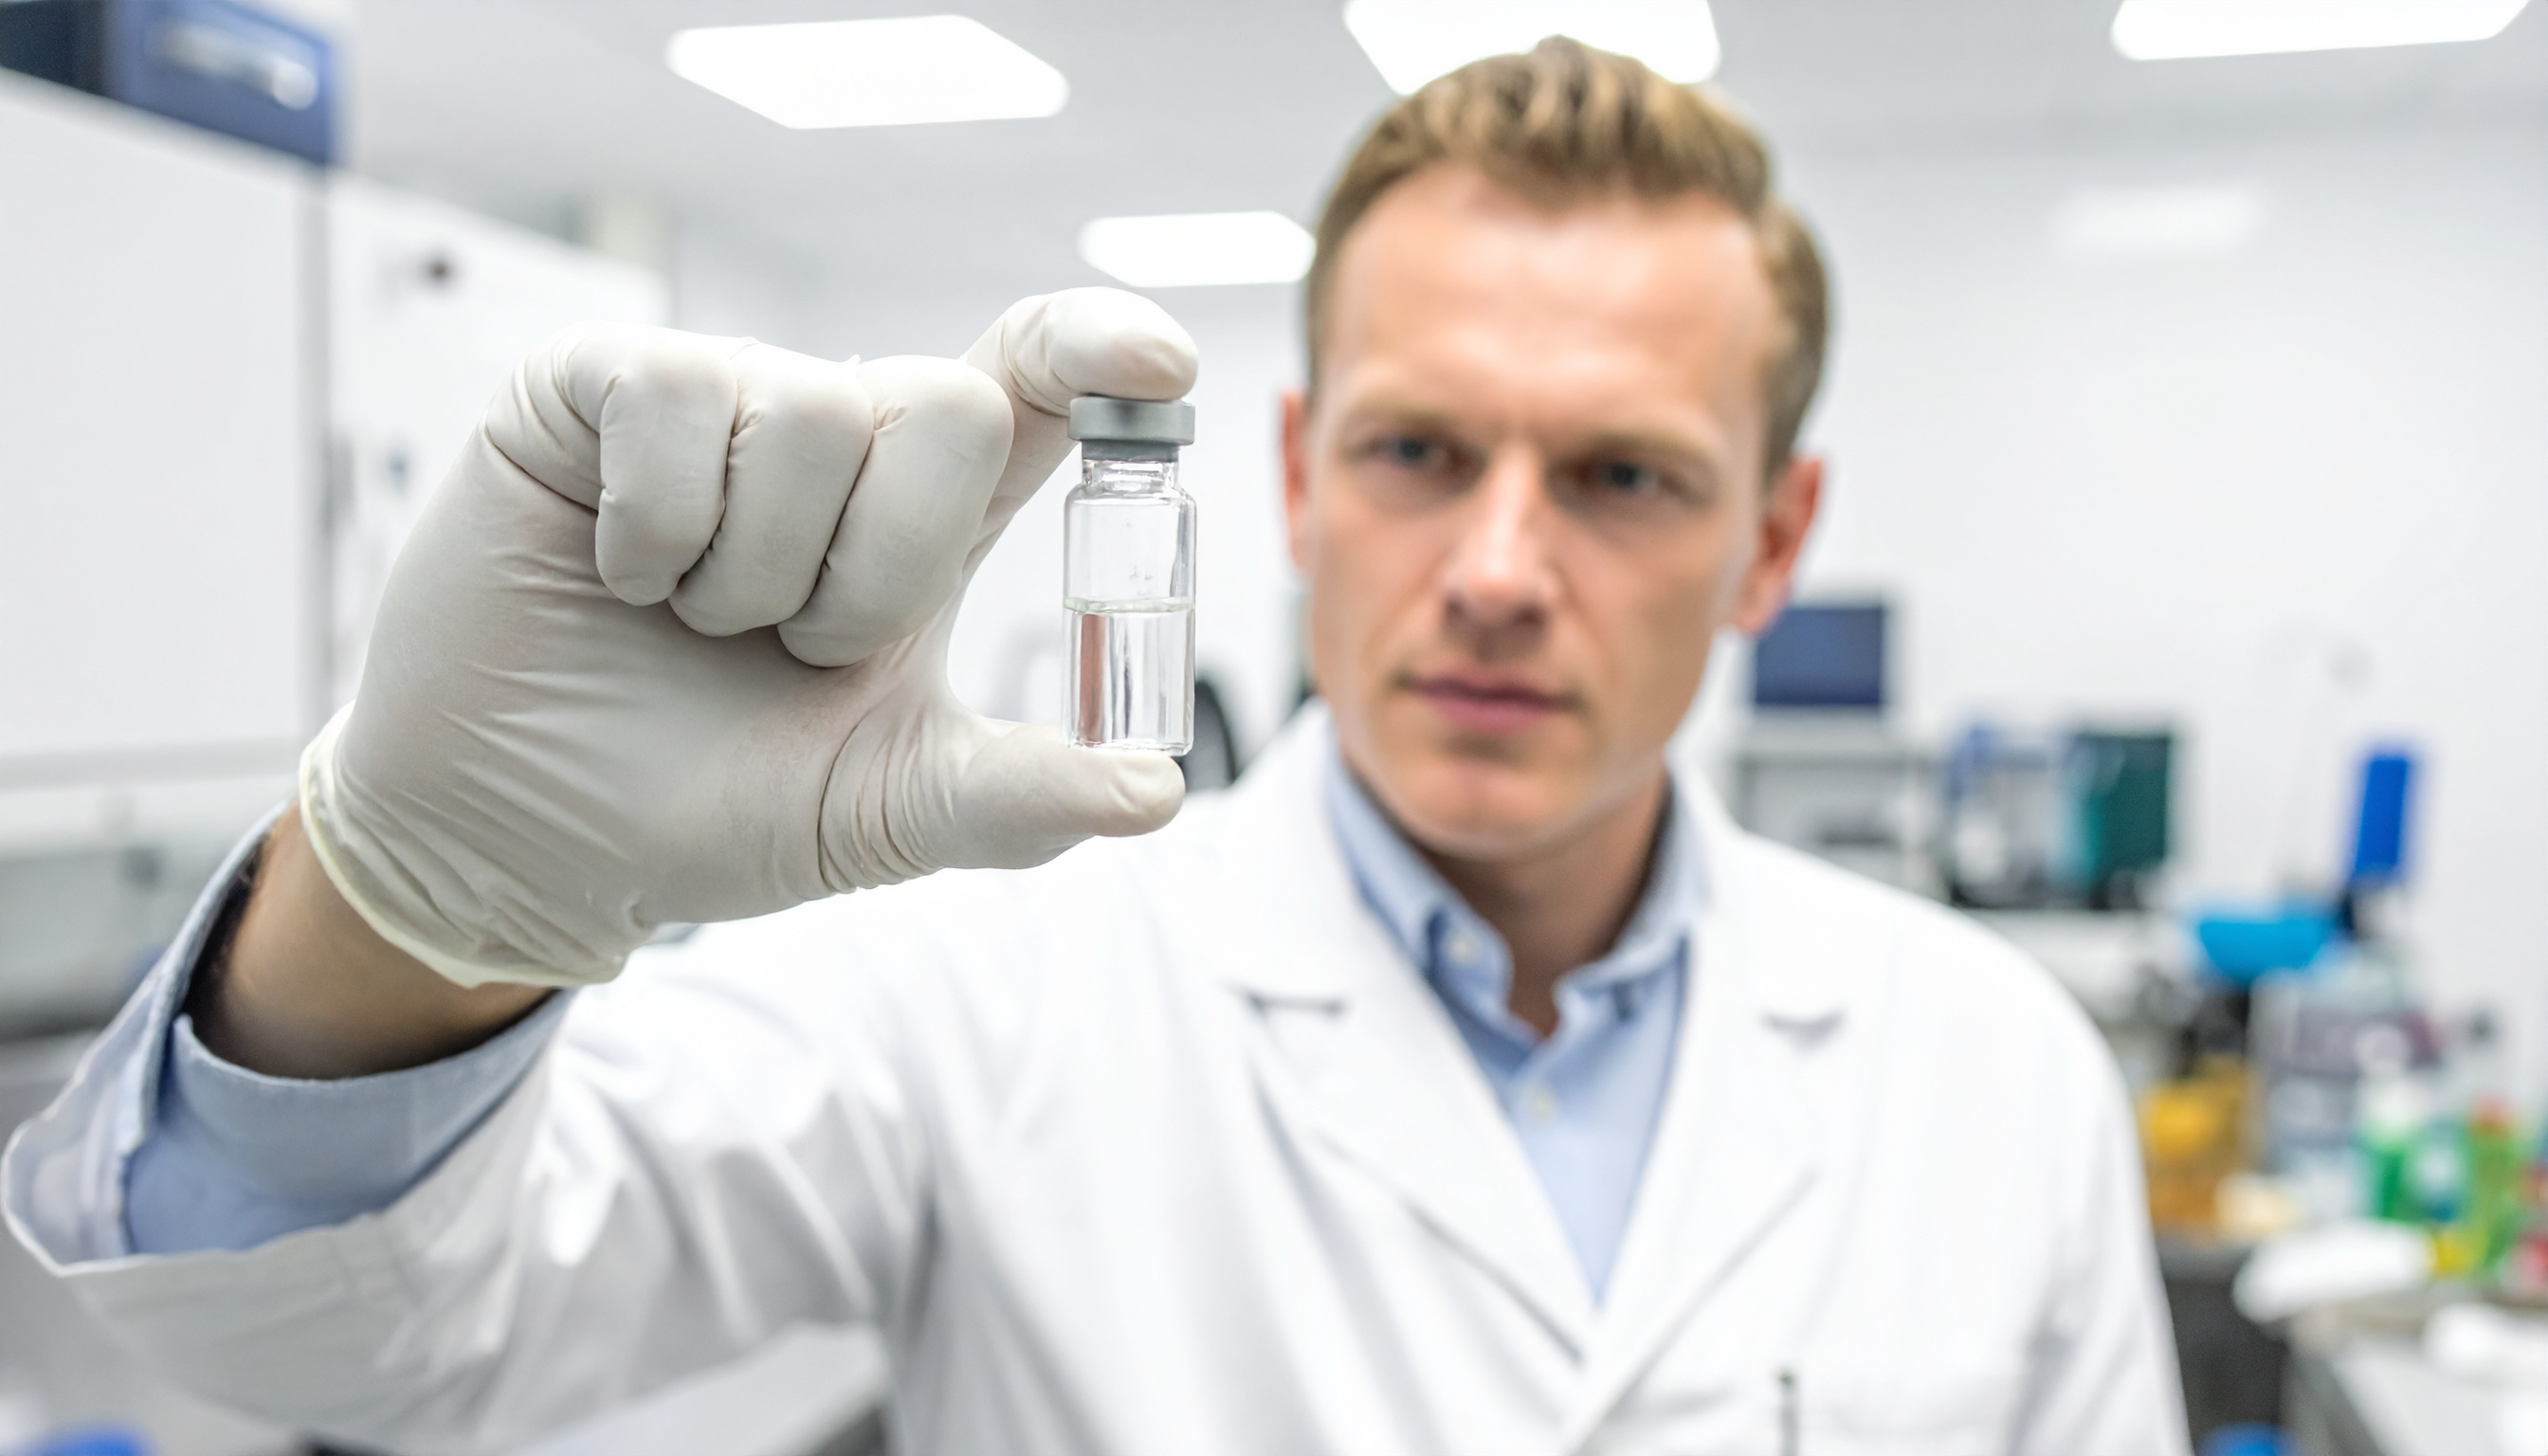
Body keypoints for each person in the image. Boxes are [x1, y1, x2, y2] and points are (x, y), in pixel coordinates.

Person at [5, 40, 2187, 1455]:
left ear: (1772, 539)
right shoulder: (981, 977)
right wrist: (422, 900)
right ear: (1300, 478)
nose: (1502, 570)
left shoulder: (1995, 1072)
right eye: (1421, 452)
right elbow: (337, 1342)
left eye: (1622, 478)